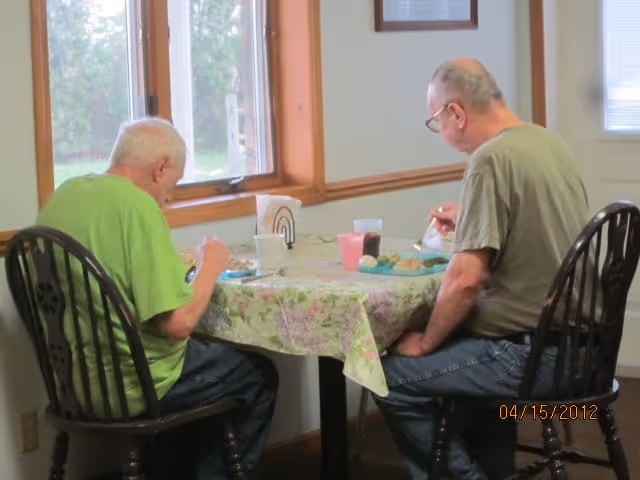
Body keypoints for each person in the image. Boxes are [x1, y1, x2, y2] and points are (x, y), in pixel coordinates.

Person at [373, 58, 590, 478]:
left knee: (386, 377)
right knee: (469, 352)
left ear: (456, 112)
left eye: (436, 120)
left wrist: (425, 343)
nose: (442, 132)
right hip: (581, 350)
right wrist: (472, 216)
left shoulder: (490, 159)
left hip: (531, 356)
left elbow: (465, 281)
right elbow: (534, 226)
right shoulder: (546, 142)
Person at [36, 117, 278, 479]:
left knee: (205, 379)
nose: (170, 196)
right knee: (257, 375)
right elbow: (177, 323)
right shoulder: (136, 207)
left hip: (75, 384)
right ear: (160, 166)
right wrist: (211, 264)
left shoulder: (63, 197)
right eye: (174, 183)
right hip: (137, 384)